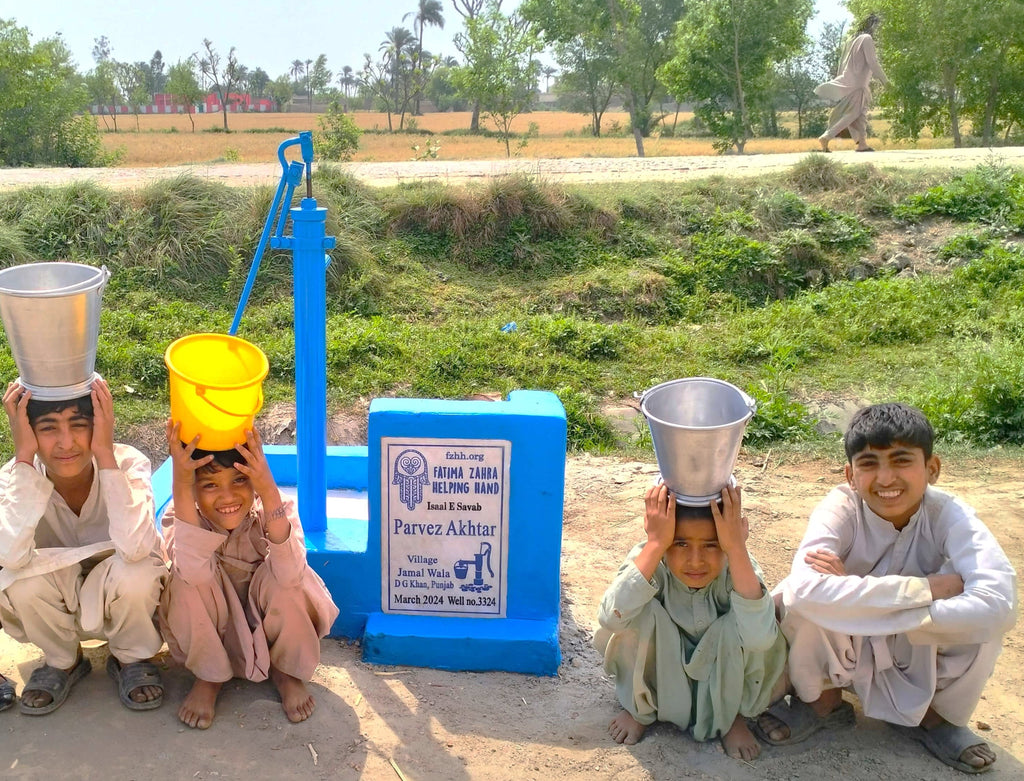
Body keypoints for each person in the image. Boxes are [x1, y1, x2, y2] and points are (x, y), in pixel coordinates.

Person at [756, 403, 1017, 775]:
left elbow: (999, 604)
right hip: (848, 640)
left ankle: (935, 717)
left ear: (932, 469)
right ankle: (822, 701)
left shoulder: (950, 515)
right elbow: (805, 591)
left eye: (901, 460)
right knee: (796, 603)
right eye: (868, 464)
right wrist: (927, 588)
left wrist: (856, 596)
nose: (885, 478)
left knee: (984, 630)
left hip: (908, 640)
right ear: (849, 474)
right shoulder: (840, 508)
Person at [0, 379, 166, 715]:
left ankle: (132, 657)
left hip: (120, 596)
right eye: (48, 428)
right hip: (57, 600)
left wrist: (105, 456)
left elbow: (135, 548)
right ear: (27, 431)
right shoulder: (15, 477)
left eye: (80, 425)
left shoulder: (127, 462)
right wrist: (23, 457)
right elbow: (11, 557)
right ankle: (64, 660)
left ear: (101, 425)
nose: (66, 442)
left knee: (137, 569)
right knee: (19, 578)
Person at [158, 421, 339, 729]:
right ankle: (208, 675)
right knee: (188, 580)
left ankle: (285, 671)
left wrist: (268, 488)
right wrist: (181, 481)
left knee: (288, 576)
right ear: (191, 488)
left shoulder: (274, 510)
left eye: (240, 480)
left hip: (268, 630)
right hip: (218, 633)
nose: (228, 497)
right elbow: (192, 570)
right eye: (210, 485)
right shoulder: (182, 515)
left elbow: (291, 572)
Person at [595, 482, 787, 761]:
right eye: (680, 543)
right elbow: (611, 618)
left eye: (712, 545)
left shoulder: (739, 566)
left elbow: (759, 638)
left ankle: (730, 716)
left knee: (752, 617)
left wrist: (736, 550)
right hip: (665, 676)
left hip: (724, 676)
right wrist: (656, 544)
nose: (695, 560)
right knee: (635, 612)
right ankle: (642, 709)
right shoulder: (651, 559)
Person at [814, 13, 888, 152]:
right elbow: (873, 63)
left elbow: (843, 64)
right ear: (872, 26)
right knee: (853, 114)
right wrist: (885, 81)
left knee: (860, 116)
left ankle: (862, 144)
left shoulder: (854, 40)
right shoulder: (866, 39)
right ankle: (826, 136)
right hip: (858, 86)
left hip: (854, 84)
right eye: (878, 28)